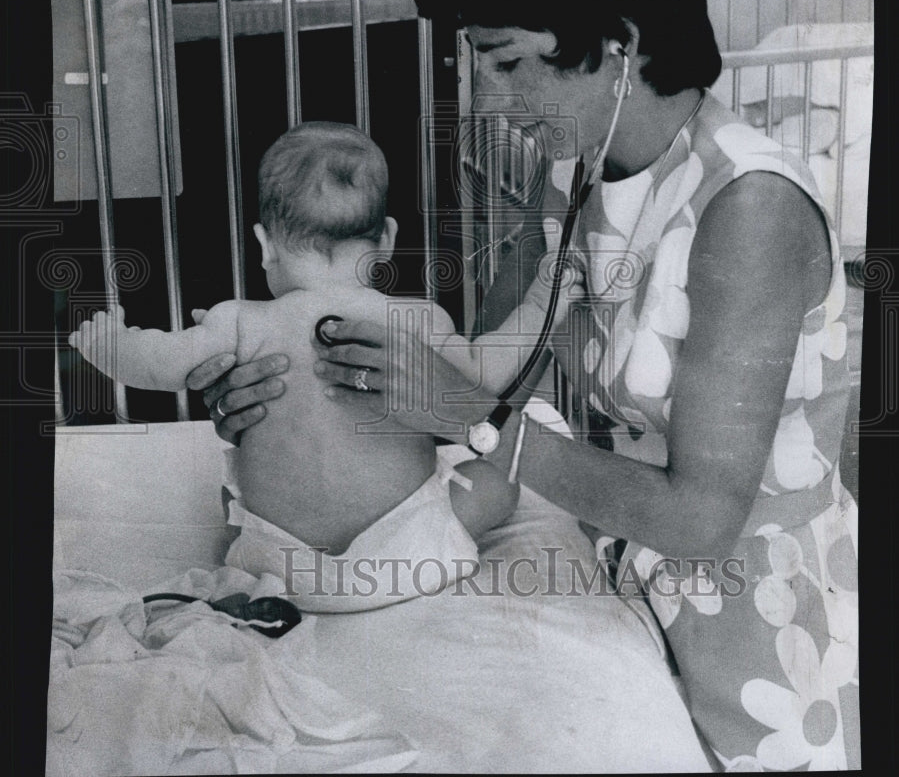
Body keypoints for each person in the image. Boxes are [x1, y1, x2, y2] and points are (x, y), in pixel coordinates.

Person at [189, 0, 859, 770]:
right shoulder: (576, 177)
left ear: (619, 43)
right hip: (613, 598)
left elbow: (699, 518)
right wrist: (284, 391)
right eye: (476, 60)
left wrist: (469, 415)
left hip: (752, 653)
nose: (487, 97)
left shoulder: (747, 213)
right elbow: (479, 365)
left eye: (505, 61)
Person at [71, 121, 584, 611]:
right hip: (406, 560)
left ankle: (259, 549)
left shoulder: (240, 322)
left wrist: (111, 343)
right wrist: (545, 300)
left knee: (229, 497)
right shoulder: (415, 318)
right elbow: (485, 375)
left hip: (278, 570)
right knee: (495, 484)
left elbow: (159, 364)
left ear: (264, 244)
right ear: (385, 238)